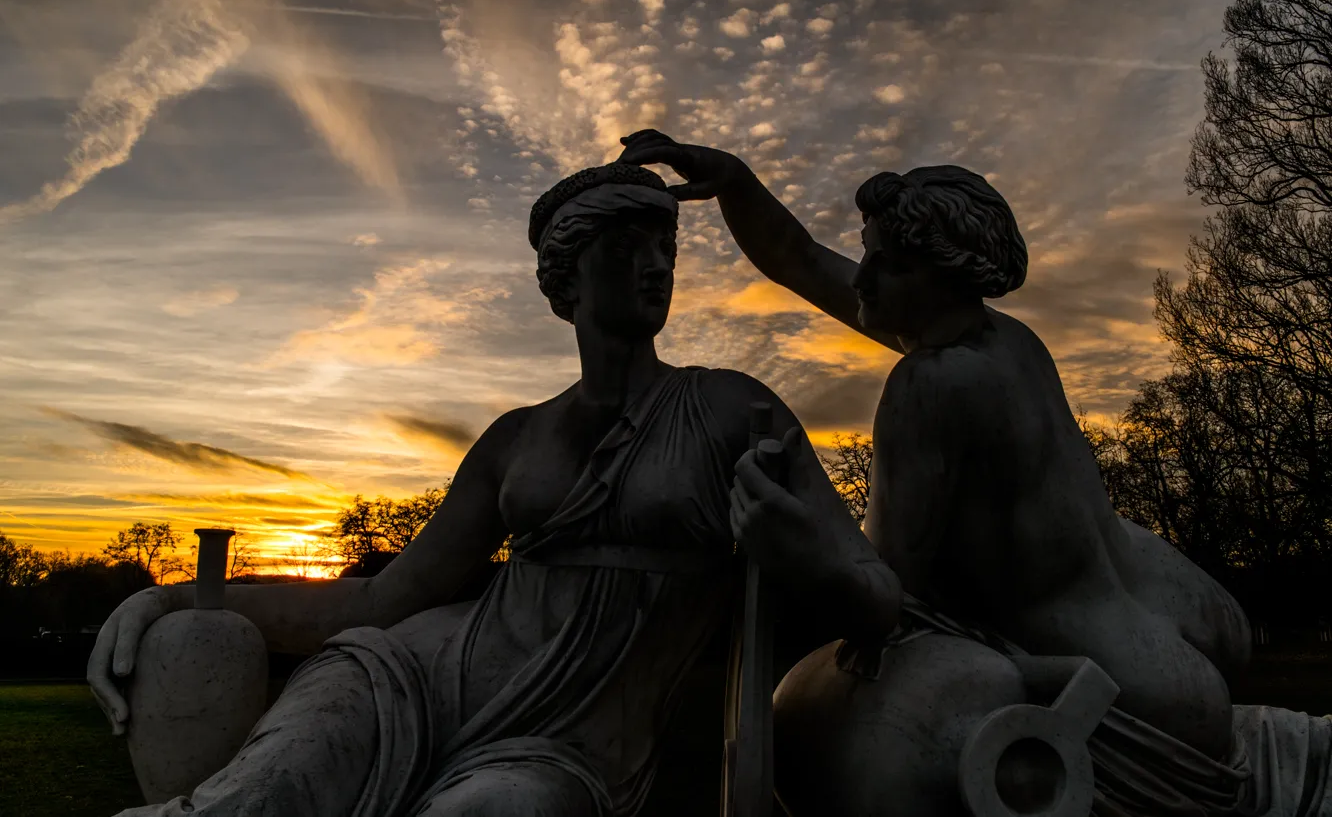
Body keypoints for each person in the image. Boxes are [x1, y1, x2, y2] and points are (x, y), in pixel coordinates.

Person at [88, 162, 899, 817]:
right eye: (627, 248)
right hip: (412, 679)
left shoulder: (733, 407)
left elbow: (876, 600)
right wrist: (182, 599)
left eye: (666, 248)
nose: (657, 266)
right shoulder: (516, 435)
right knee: (262, 796)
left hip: (576, 747)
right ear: (566, 280)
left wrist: (802, 555)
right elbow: (380, 603)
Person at [618, 130, 1331, 816]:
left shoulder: (930, 387)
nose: (863, 276)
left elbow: (886, 598)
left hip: (1125, 693)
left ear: (943, 276)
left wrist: (796, 527)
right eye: (870, 255)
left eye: (887, 264)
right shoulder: (1006, 340)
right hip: (1177, 630)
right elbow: (803, 260)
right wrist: (736, 184)